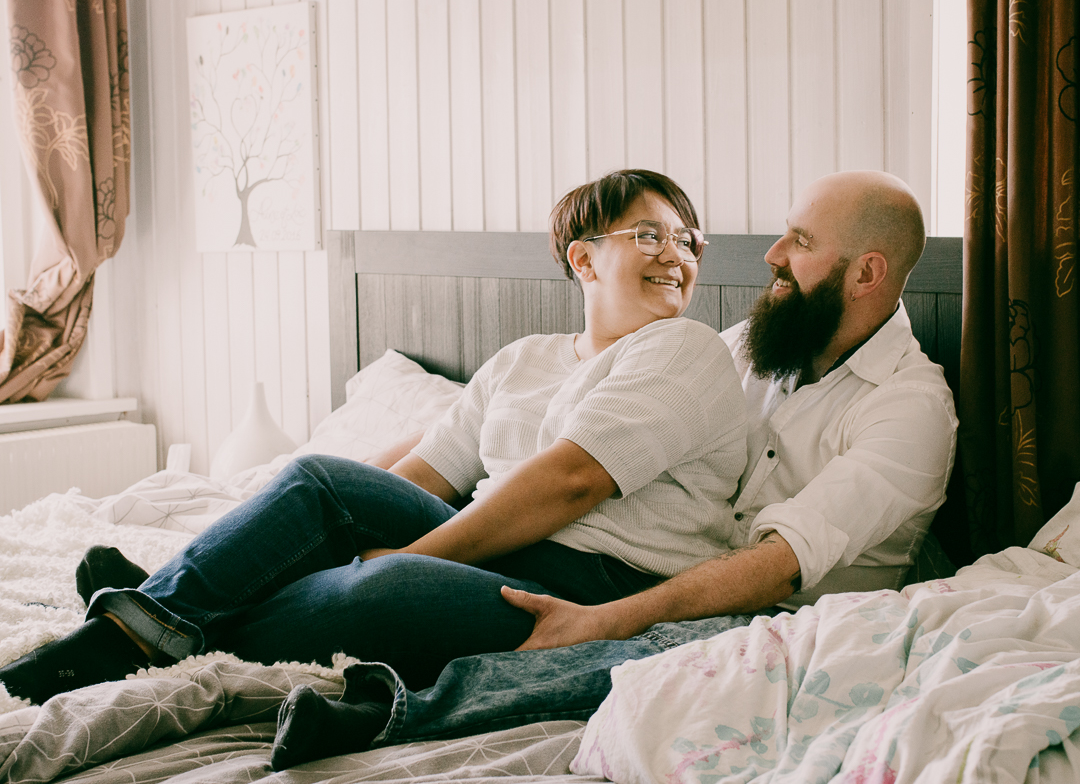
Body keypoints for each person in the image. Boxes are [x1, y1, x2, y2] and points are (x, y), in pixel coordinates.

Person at [262, 169, 959, 768]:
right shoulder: (749, 346)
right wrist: (385, 470)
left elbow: (778, 567)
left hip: (775, 614)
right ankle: (215, 614)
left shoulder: (911, 408)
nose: (772, 254)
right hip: (665, 572)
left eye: (800, 242)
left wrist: (603, 619)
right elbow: (520, 415)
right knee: (331, 494)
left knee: (659, 657)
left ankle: (388, 713)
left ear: (865, 272)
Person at [0, 169, 750, 711]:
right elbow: (422, 476)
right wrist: (361, 538)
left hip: (593, 584)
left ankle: (166, 612)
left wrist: (411, 555)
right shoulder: (522, 360)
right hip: (491, 547)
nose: (676, 255)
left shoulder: (685, 348)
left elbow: (571, 480)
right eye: (649, 234)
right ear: (583, 258)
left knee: (376, 586)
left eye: (689, 241)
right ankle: (156, 616)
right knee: (322, 481)